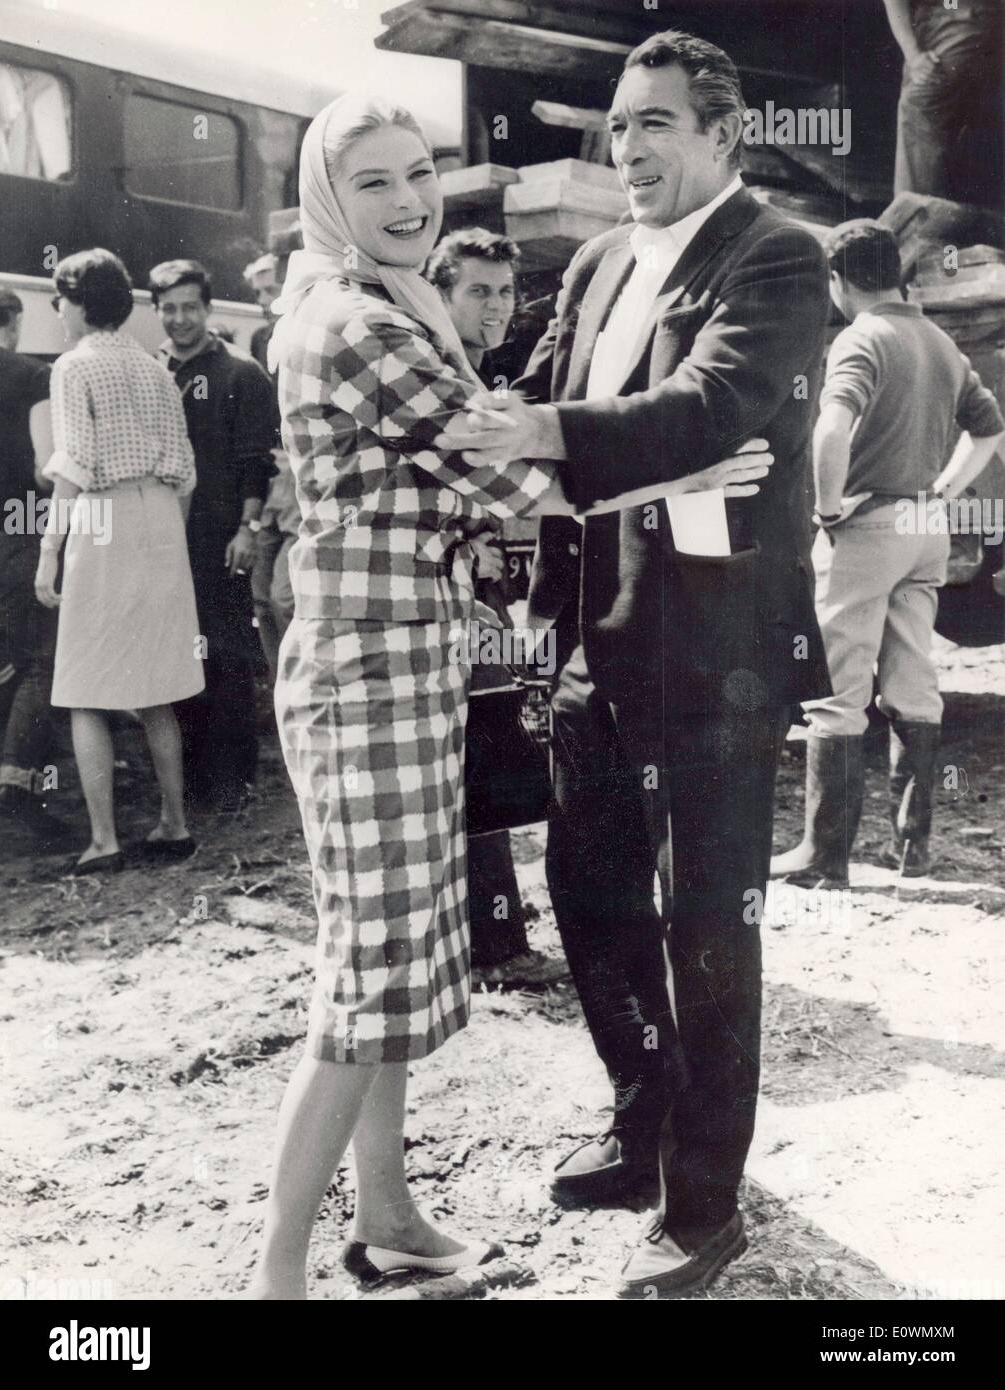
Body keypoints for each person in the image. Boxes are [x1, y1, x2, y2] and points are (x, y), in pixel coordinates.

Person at [248, 94, 759, 1301]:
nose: (407, 201)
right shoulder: (356, 322)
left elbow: (485, 492)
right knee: (367, 981)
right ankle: (273, 1280)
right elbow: (514, 473)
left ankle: (385, 1224)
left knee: (402, 963)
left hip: (402, 664)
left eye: (418, 172)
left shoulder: (384, 308)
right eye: (370, 182)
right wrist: (684, 458)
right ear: (331, 198)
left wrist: (583, 480)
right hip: (364, 672)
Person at [442, 29, 833, 1298]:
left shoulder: (775, 254)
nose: (631, 146)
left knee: (709, 921)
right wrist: (554, 446)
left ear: (722, 136)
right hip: (586, 641)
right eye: (619, 126)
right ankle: (637, 1116)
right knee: (592, 895)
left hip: (714, 654)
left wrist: (558, 435)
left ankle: (704, 1200)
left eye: (656, 122)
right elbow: (553, 431)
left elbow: (707, 411)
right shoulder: (603, 259)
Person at [771, 220, 1005, 885]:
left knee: (837, 691)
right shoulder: (940, 340)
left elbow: (831, 429)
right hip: (925, 527)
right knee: (913, 680)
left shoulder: (860, 338)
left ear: (838, 282)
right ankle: (913, 852)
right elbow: (989, 431)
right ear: (896, 273)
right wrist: (944, 490)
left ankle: (824, 857)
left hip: (867, 525)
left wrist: (825, 508)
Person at [426, 228, 567, 989]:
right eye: (478, 290)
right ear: (442, 293)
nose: (498, 305)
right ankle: (495, 945)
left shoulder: (484, 376)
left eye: (507, 291)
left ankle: (489, 937)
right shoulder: (444, 376)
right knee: (471, 754)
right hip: (446, 598)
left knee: (481, 747)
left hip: (478, 593)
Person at [34, 249, 204, 873]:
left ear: (79, 303)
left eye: (62, 299)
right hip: (160, 518)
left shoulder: (73, 366)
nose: (58, 310)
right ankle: (174, 825)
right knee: (158, 689)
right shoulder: (155, 367)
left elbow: (72, 467)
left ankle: (105, 839)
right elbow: (186, 472)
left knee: (85, 689)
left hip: (103, 516)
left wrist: (49, 553)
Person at [149, 259, 279, 811]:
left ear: (208, 309)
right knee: (176, 655)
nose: (180, 319)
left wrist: (248, 528)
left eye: (190, 308)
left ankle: (231, 781)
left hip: (222, 539)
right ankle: (192, 777)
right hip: (161, 539)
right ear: (157, 311)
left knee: (225, 655)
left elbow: (258, 461)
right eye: (169, 309)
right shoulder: (151, 371)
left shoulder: (242, 373)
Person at [0, 285, 65, 846]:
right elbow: (48, 469)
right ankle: (18, 787)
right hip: (19, 532)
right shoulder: (33, 376)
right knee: (39, 662)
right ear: (15, 322)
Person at [882, 0, 1004, 208]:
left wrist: (914, 55)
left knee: (921, 109)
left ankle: (917, 224)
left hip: (962, 19)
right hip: (951, 21)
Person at [243, 252, 298, 682]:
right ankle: (280, 686)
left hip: (298, 471)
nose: (263, 300)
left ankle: (300, 681)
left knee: (285, 596)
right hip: (272, 470)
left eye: (270, 290)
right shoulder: (261, 336)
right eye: (258, 292)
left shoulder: (303, 330)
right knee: (260, 597)